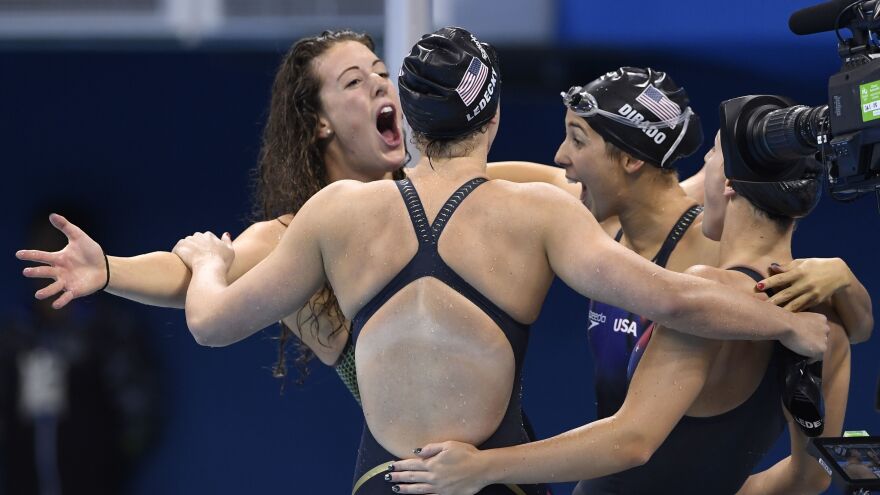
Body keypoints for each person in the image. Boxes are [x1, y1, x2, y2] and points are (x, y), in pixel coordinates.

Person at [167, 28, 827, 494]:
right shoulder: (537, 212)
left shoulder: (337, 212)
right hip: (494, 479)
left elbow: (210, 324)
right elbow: (675, 298)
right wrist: (787, 324)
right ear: (494, 115)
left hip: (385, 480)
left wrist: (206, 264)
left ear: (415, 121)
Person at [386, 122, 853, 495]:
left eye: (710, 155)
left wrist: (479, 468)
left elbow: (632, 441)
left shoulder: (708, 300)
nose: (700, 171)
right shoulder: (829, 322)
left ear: (728, 183)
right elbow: (810, 477)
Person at [16, 29, 407, 401]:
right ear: (320, 122)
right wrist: (107, 269)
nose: (378, 83)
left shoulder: (436, 200)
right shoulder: (293, 239)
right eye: (354, 82)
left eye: (382, 73)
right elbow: (187, 276)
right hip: (415, 463)